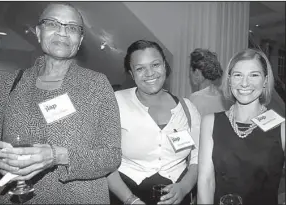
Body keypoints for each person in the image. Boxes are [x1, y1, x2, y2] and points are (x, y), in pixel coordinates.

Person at [0, 3, 121, 204]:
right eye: (52, 23)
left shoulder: (97, 85)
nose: (62, 32)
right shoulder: (8, 84)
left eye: (71, 27)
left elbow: (112, 156)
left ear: (80, 40)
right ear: (38, 32)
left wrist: (57, 156)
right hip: (14, 197)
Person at [107, 40, 200, 205]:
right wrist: (130, 200)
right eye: (140, 68)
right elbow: (105, 161)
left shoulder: (188, 108)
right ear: (131, 73)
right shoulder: (116, 102)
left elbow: (197, 158)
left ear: (164, 65)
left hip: (177, 196)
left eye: (155, 64)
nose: (149, 73)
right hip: (126, 193)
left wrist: (184, 187)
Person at [197, 48, 285, 205]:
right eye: (238, 75)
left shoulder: (282, 128)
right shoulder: (210, 122)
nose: (244, 83)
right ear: (229, 80)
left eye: (254, 75)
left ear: (265, 80)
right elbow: (206, 181)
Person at [189, 48, 231, 116]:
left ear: (197, 72)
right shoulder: (227, 99)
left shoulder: (195, 99)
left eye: (190, 71)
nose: (189, 76)